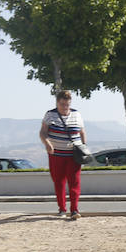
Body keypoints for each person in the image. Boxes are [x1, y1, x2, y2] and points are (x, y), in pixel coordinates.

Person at [40, 90, 86, 220]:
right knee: (59, 181)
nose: (65, 107)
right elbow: (43, 132)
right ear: (57, 103)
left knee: (74, 182)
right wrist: (47, 143)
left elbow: (82, 132)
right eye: (62, 104)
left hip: (74, 155)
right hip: (56, 154)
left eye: (67, 104)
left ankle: (74, 209)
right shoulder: (50, 115)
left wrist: (84, 147)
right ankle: (62, 209)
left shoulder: (77, 115)